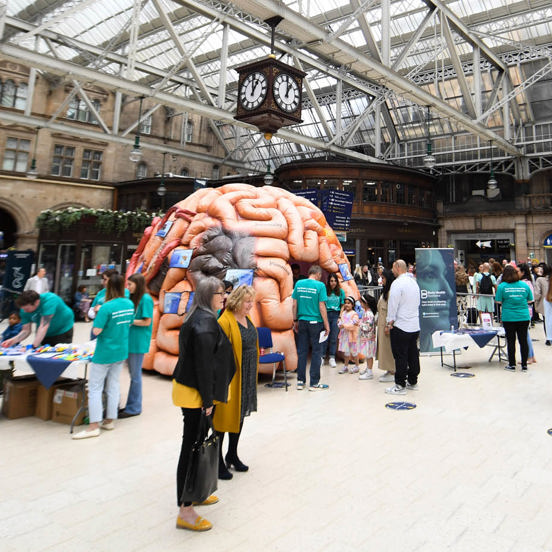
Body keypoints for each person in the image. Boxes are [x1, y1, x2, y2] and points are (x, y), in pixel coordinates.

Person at [172, 276, 235, 532]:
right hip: (196, 394)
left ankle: (196, 493)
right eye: (221, 293)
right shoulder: (205, 322)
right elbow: (204, 365)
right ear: (210, 294)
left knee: (197, 443)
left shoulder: (196, 316)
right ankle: (186, 511)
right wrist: (208, 400)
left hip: (193, 390)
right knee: (192, 447)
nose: (224, 297)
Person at [72, 274, 135, 439]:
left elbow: (96, 331)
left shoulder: (106, 307)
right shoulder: (129, 304)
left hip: (104, 352)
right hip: (121, 350)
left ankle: (93, 426)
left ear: (109, 287)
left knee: (95, 388)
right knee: (113, 385)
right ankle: (109, 420)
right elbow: (129, 323)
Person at [214, 285, 258, 480]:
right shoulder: (225, 320)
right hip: (230, 377)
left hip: (246, 375)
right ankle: (216, 461)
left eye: (251, 301)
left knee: (239, 416)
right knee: (223, 419)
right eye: (247, 301)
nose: (250, 305)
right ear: (237, 300)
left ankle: (232, 454)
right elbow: (218, 353)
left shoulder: (246, 318)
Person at [119, 273, 154, 418]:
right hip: (129, 340)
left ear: (137, 284)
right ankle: (130, 405)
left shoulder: (145, 299)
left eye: (130, 285)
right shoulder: (131, 298)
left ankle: (134, 407)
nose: (128, 288)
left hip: (138, 342)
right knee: (132, 374)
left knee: (135, 375)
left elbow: (147, 321)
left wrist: (130, 320)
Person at [385, 260, 421, 395]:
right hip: (414, 325)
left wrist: (389, 322)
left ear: (398, 267)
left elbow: (392, 305)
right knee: (413, 354)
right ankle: (413, 381)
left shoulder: (397, 283)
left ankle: (400, 385)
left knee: (400, 356)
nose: (392, 270)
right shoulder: (414, 283)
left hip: (401, 326)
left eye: (393, 267)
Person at [292, 264, 330, 391]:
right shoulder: (320, 286)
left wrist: (295, 320)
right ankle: (314, 383)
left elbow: (294, 305)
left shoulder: (298, 284)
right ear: (318, 274)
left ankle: (300, 381)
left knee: (302, 352)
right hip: (316, 323)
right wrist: (327, 324)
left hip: (302, 321)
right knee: (316, 352)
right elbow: (322, 306)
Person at [1, 290, 74, 348]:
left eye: (27, 308)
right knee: (42, 354)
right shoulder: (24, 309)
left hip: (62, 328)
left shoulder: (50, 300)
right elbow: (26, 330)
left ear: (37, 302)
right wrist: (12, 341)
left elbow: (44, 325)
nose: (25, 311)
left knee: (58, 356)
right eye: (23, 309)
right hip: (44, 332)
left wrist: (34, 346)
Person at [495, 264, 533, 372]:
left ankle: (512, 364)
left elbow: (498, 301)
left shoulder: (502, 286)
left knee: (511, 341)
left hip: (509, 317)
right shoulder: (524, 285)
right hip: (523, 316)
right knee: (523, 340)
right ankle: (524, 365)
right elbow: (530, 300)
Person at [376, 269, 396, 382]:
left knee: (388, 348)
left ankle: (393, 370)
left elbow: (391, 310)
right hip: (381, 322)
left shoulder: (391, 292)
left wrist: (389, 325)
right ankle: (388, 369)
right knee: (383, 347)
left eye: (383, 278)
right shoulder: (385, 291)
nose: (381, 280)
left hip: (387, 324)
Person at [323, 273, 345, 367]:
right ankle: (322, 357)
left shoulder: (340, 291)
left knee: (333, 337)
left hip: (336, 314)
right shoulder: (324, 291)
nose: (333, 283)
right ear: (328, 281)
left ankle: (332, 357)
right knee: (324, 336)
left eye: (335, 281)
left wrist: (340, 316)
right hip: (326, 314)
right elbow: (322, 303)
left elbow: (342, 305)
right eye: (331, 281)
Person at [518, 263, 536, 364]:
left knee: (525, 335)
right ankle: (532, 355)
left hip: (525, 309)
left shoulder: (524, 283)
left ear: (523, 272)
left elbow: (530, 298)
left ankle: (529, 356)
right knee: (526, 333)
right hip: (527, 309)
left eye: (518, 271)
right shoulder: (529, 282)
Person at [337, 296, 360, 374]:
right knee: (346, 352)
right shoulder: (343, 313)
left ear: (353, 305)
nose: (347, 305)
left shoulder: (354, 314)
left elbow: (353, 325)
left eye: (349, 303)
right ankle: (345, 366)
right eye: (345, 303)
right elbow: (341, 321)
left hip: (352, 337)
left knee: (354, 352)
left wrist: (345, 326)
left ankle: (357, 366)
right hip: (344, 336)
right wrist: (340, 324)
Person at [357, 293, 377, 381]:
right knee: (368, 356)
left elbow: (368, 327)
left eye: (361, 302)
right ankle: (368, 369)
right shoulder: (367, 312)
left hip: (368, 339)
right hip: (367, 338)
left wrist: (359, 324)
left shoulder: (368, 314)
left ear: (366, 303)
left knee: (369, 356)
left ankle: (369, 372)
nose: (360, 304)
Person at [534, 263, 550, 345]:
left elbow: (537, 293)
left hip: (545, 303)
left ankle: (548, 338)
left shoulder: (539, 280)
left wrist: (536, 301)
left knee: (546, 320)